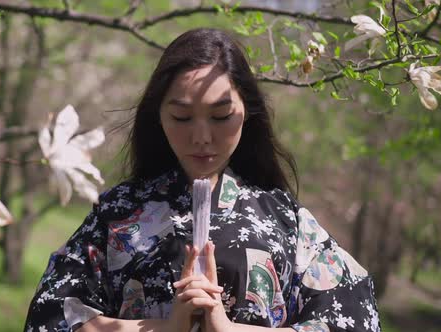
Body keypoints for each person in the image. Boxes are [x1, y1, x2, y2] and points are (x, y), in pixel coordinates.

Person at [24, 28, 381, 332]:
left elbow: (355, 317)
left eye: (221, 115)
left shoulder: (286, 220)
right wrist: (164, 328)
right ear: (158, 116)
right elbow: (49, 315)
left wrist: (226, 328)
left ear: (247, 112)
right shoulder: (118, 214)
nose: (201, 137)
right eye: (181, 117)